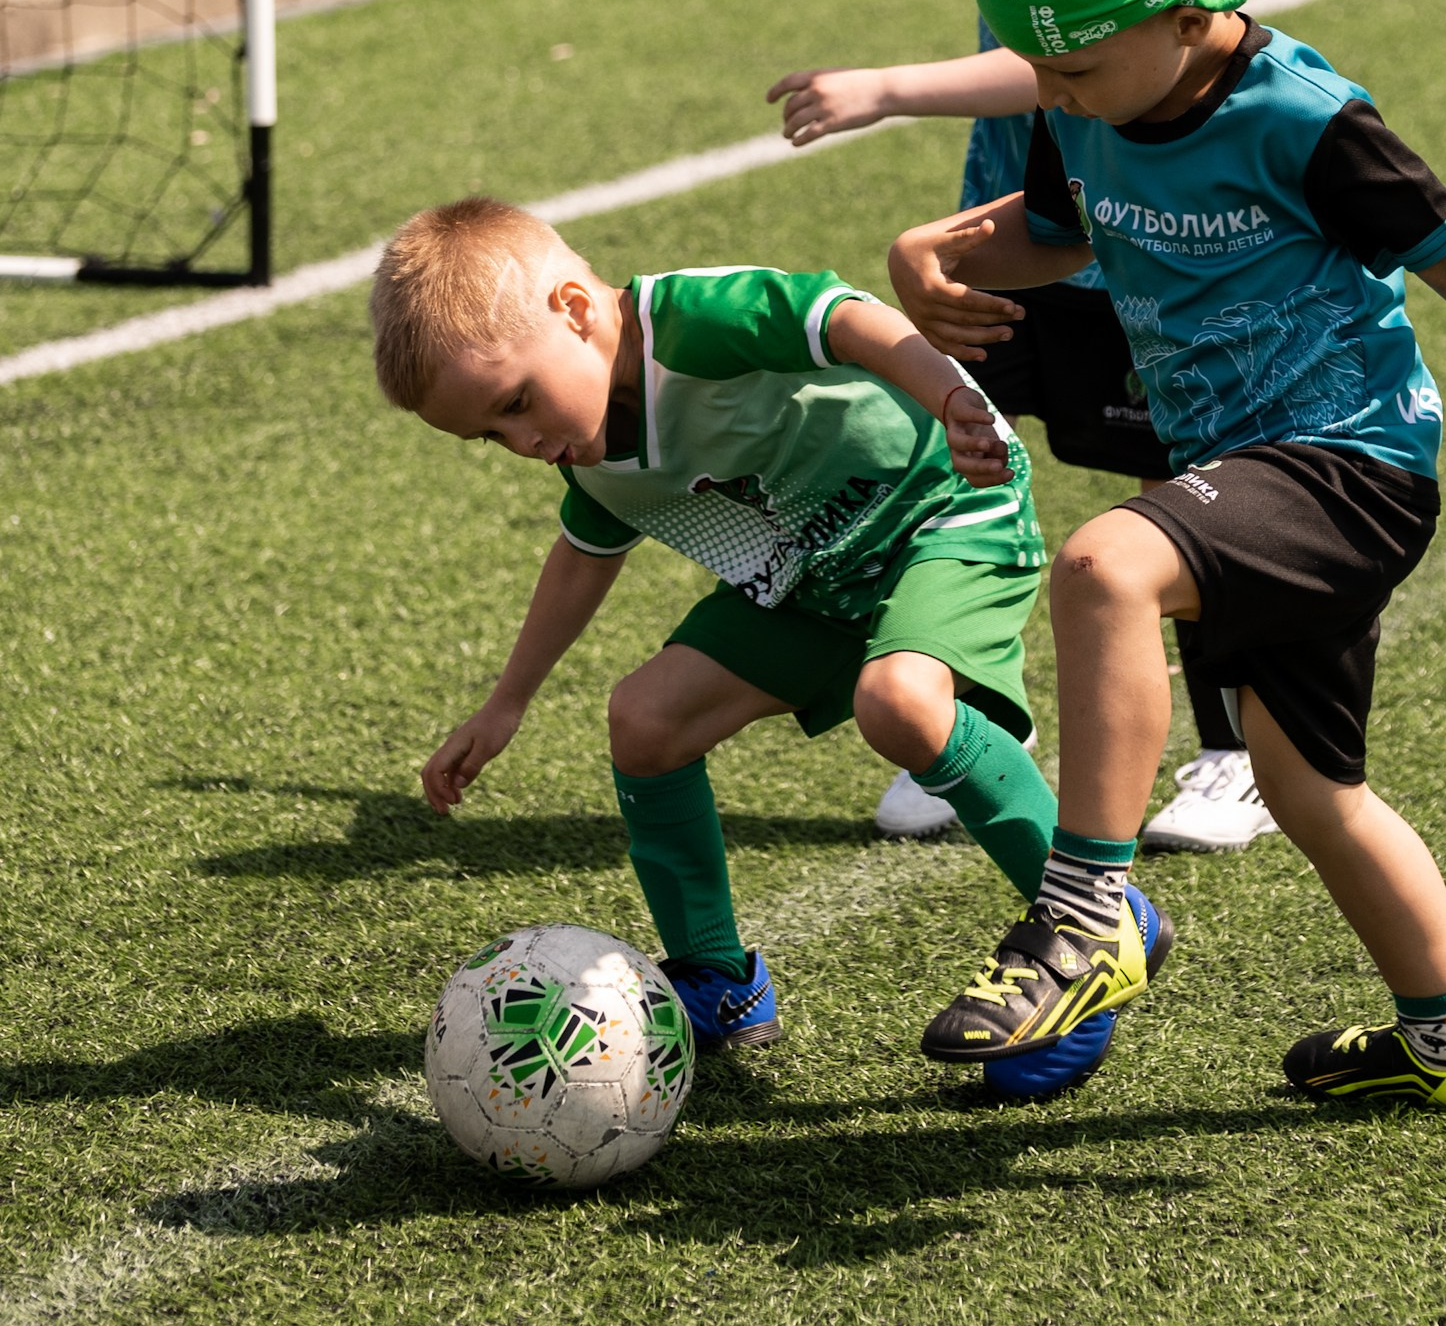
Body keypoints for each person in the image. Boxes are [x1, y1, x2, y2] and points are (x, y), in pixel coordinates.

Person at [887, 0, 1446, 1112]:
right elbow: (1049, 234)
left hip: (1348, 466)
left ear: (1190, 11)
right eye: (1043, 66)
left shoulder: (1303, 119)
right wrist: (934, 252)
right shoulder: (1081, 96)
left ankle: (1087, 915)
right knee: (1313, 789)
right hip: (1235, 475)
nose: (1058, 90)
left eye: (1077, 65)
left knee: (1106, 564)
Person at [767, 0, 1280, 861]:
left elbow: (1059, 62)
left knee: (1188, 490)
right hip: (1010, 232)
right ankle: (976, 733)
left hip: (1137, 248)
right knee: (962, 468)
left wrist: (886, 86)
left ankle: (1239, 754)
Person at [374, 195, 1125, 1066]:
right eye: (491, 435)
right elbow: (583, 554)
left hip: (943, 513)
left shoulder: (685, 322)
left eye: (516, 402)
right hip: (818, 585)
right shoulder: (586, 447)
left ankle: (1089, 925)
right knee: (645, 722)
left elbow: (843, 320)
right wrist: (506, 704)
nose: (523, 440)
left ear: (575, 313)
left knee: (901, 704)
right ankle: (719, 983)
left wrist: (951, 395)